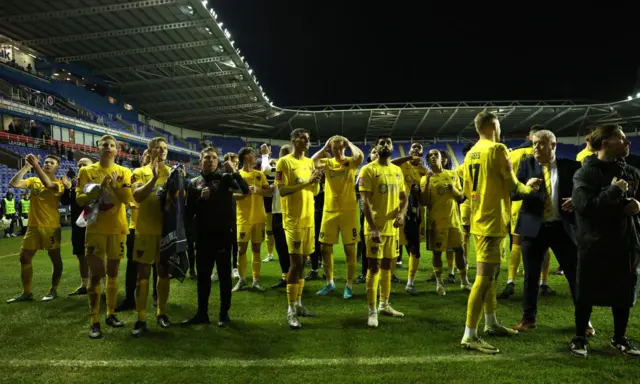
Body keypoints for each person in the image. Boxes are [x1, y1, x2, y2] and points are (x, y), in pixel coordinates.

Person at [461, 111, 541, 353]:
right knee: (483, 278)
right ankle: (469, 335)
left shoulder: (471, 154)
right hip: (492, 220)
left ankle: (491, 322)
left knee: (492, 277)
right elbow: (511, 184)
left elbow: (467, 189)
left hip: (480, 218)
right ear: (494, 125)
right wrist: (528, 188)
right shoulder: (497, 149)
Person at [510, 130, 590, 333]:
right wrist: (525, 186)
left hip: (562, 229)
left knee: (575, 276)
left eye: (540, 144)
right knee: (530, 277)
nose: (535, 148)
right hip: (533, 228)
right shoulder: (526, 165)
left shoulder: (570, 167)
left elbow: (585, 194)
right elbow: (513, 194)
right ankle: (528, 319)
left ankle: (584, 320)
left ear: (553, 145)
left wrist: (576, 200)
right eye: (534, 144)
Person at [570, 124, 640, 358]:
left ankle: (619, 338)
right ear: (606, 142)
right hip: (594, 243)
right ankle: (580, 337)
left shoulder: (632, 172)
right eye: (622, 138)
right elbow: (585, 206)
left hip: (625, 241)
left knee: (623, 290)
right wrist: (612, 191)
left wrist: (638, 206)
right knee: (586, 291)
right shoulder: (585, 173)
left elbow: (635, 203)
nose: (628, 142)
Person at [182, 147, 249, 327]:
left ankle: (223, 313)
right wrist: (199, 200)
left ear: (217, 162)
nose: (210, 160)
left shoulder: (225, 178)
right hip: (203, 236)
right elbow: (188, 212)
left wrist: (235, 172)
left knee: (225, 276)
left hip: (223, 235)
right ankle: (201, 313)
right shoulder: (193, 183)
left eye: (213, 158)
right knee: (203, 277)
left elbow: (245, 190)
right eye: (207, 158)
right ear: (200, 161)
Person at [76, 135, 133, 339]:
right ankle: (94, 320)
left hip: (117, 228)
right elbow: (80, 199)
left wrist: (116, 186)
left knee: (114, 272)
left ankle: (110, 313)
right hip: (95, 229)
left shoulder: (124, 172)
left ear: (117, 151)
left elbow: (128, 200)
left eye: (111, 145)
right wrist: (99, 188)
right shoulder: (86, 171)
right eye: (104, 145)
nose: (108, 147)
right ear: (97, 148)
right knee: (96, 274)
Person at [275, 128, 323, 329]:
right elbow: (283, 190)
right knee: (295, 263)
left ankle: (300, 304)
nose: (307, 141)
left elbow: (314, 191)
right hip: (293, 219)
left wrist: (316, 183)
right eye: (303, 138)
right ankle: (290, 310)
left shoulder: (309, 162)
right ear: (294, 139)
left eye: (308, 138)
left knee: (303, 262)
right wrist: (306, 184)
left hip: (308, 218)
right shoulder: (284, 162)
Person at [359, 136, 409, 327]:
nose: (386, 145)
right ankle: (372, 311)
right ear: (376, 148)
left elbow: (404, 197)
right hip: (375, 230)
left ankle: (384, 304)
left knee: (388, 267)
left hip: (392, 229)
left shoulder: (397, 171)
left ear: (393, 147)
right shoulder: (368, 170)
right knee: (373, 268)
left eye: (388, 142)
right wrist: (372, 228)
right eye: (382, 143)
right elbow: (364, 202)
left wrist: (402, 214)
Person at [500, 125, 554, 299]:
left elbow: (506, 180)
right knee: (545, 245)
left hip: (518, 206)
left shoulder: (513, 154)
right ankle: (543, 283)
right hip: (538, 205)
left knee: (516, 243)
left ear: (527, 136)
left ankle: (510, 281)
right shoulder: (541, 155)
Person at [411, 149, 471, 296]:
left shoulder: (452, 175)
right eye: (430, 156)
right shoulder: (425, 178)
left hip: (454, 221)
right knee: (437, 253)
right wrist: (427, 183)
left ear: (442, 159)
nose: (432, 157)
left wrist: (453, 190)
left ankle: (464, 281)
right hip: (435, 222)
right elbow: (424, 202)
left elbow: (461, 197)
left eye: (435, 155)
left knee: (459, 250)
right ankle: (439, 283)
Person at [6, 154, 65, 303]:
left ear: (57, 167)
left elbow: (49, 185)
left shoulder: (60, 183)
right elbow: (14, 183)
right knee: (24, 257)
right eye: (45, 162)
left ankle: (53, 290)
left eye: (51, 163)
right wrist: (27, 167)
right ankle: (27, 292)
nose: (47, 164)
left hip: (51, 227)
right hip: (33, 227)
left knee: (55, 259)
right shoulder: (34, 180)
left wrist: (36, 166)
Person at [130, 138, 174, 336]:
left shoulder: (173, 173)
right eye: (159, 147)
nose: (163, 150)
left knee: (163, 272)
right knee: (143, 275)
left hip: (166, 232)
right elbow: (137, 196)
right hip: (145, 230)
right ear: (150, 150)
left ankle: (161, 313)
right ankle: (141, 318)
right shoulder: (139, 172)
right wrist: (154, 179)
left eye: (165, 148)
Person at [312, 135, 364, 299]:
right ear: (331, 148)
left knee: (350, 250)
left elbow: (360, 156)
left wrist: (349, 143)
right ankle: (330, 283)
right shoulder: (327, 163)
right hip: (329, 211)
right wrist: (324, 146)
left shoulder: (350, 162)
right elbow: (312, 162)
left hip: (348, 212)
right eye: (334, 148)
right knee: (324, 248)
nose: (338, 150)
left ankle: (349, 285)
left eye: (340, 147)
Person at [232, 146, 271, 293]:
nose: (255, 157)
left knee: (256, 249)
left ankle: (256, 280)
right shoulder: (237, 175)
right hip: (243, 218)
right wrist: (245, 194)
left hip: (259, 218)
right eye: (252, 155)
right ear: (245, 157)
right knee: (241, 249)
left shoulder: (260, 174)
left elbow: (268, 193)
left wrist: (259, 190)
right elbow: (232, 196)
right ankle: (242, 280)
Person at [116, 150, 150, 311]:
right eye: (146, 155)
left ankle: (156, 297)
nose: (149, 157)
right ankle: (130, 298)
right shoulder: (134, 176)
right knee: (133, 265)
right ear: (142, 158)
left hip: (155, 227)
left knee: (157, 265)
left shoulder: (164, 176)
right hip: (135, 227)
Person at [391, 142, 427, 280]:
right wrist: (408, 158)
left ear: (422, 153)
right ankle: (391, 273)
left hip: (416, 211)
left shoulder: (424, 171)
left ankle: (411, 278)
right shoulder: (402, 165)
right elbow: (391, 163)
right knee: (396, 242)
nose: (416, 149)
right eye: (414, 147)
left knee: (413, 243)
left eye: (419, 148)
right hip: (400, 210)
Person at [69, 158, 94, 296]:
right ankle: (84, 284)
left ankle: (102, 285)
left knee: (98, 256)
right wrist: (68, 189)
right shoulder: (74, 185)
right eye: (79, 165)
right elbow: (66, 201)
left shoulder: (97, 183)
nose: (81, 167)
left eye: (84, 165)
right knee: (80, 254)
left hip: (94, 223)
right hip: (77, 225)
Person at [356, 147, 379, 284]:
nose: (376, 153)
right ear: (369, 156)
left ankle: (388, 273)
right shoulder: (364, 171)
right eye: (374, 151)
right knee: (366, 244)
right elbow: (356, 187)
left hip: (384, 214)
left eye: (377, 151)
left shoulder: (388, 169)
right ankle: (365, 272)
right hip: (368, 214)